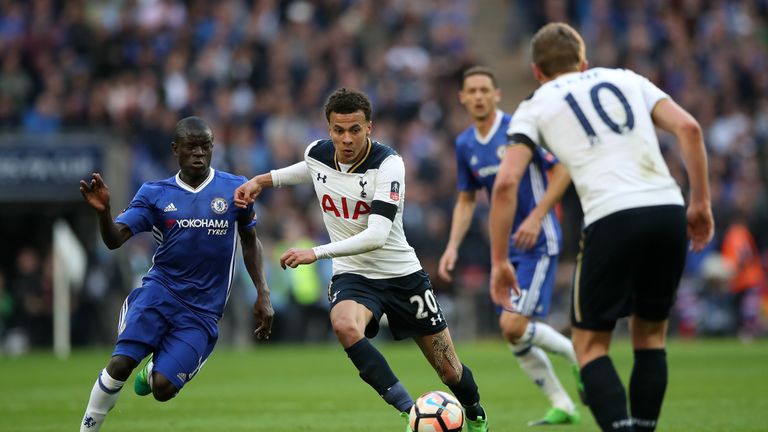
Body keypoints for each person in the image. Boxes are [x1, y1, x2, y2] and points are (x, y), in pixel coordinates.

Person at [488, 23, 714, 432]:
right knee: (651, 337)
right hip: (667, 209)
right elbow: (689, 128)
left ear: (537, 72)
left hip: (611, 217)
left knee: (590, 345)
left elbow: (505, 183)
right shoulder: (626, 79)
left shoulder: (536, 104)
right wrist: (700, 203)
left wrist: (500, 259)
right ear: (584, 62)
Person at [235, 88, 490, 431]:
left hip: (401, 275)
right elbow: (308, 169)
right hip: (353, 274)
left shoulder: (388, 165)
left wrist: (316, 252)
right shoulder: (318, 154)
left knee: (449, 370)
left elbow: (376, 236)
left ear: (369, 127)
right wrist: (261, 181)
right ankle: (407, 409)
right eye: (338, 130)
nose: (346, 138)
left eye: (354, 129)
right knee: (343, 324)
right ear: (329, 130)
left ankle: (475, 415)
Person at [78, 116, 274, 431]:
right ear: (175, 149)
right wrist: (104, 214)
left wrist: (263, 293)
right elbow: (115, 239)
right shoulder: (154, 193)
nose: (199, 153)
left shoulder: (235, 187)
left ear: (213, 148)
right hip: (158, 295)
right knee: (120, 364)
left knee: (161, 389)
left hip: (201, 312)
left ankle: (158, 366)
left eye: (205, 146)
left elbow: (250, 240)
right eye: (191, 146)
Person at [437, 66, 582, 426]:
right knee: (512, 331)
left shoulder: (519, 129)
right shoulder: (465, 144)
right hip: (505, 249)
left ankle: (578, 353)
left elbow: (562, 170)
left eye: (486, 89)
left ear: (497, 94)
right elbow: (467, 200)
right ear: (463, 97)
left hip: (538, 240)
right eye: (472, 90)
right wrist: (452, 245)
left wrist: (537, 216)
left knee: (512, 326)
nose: (479, 96)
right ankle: (563, 403)